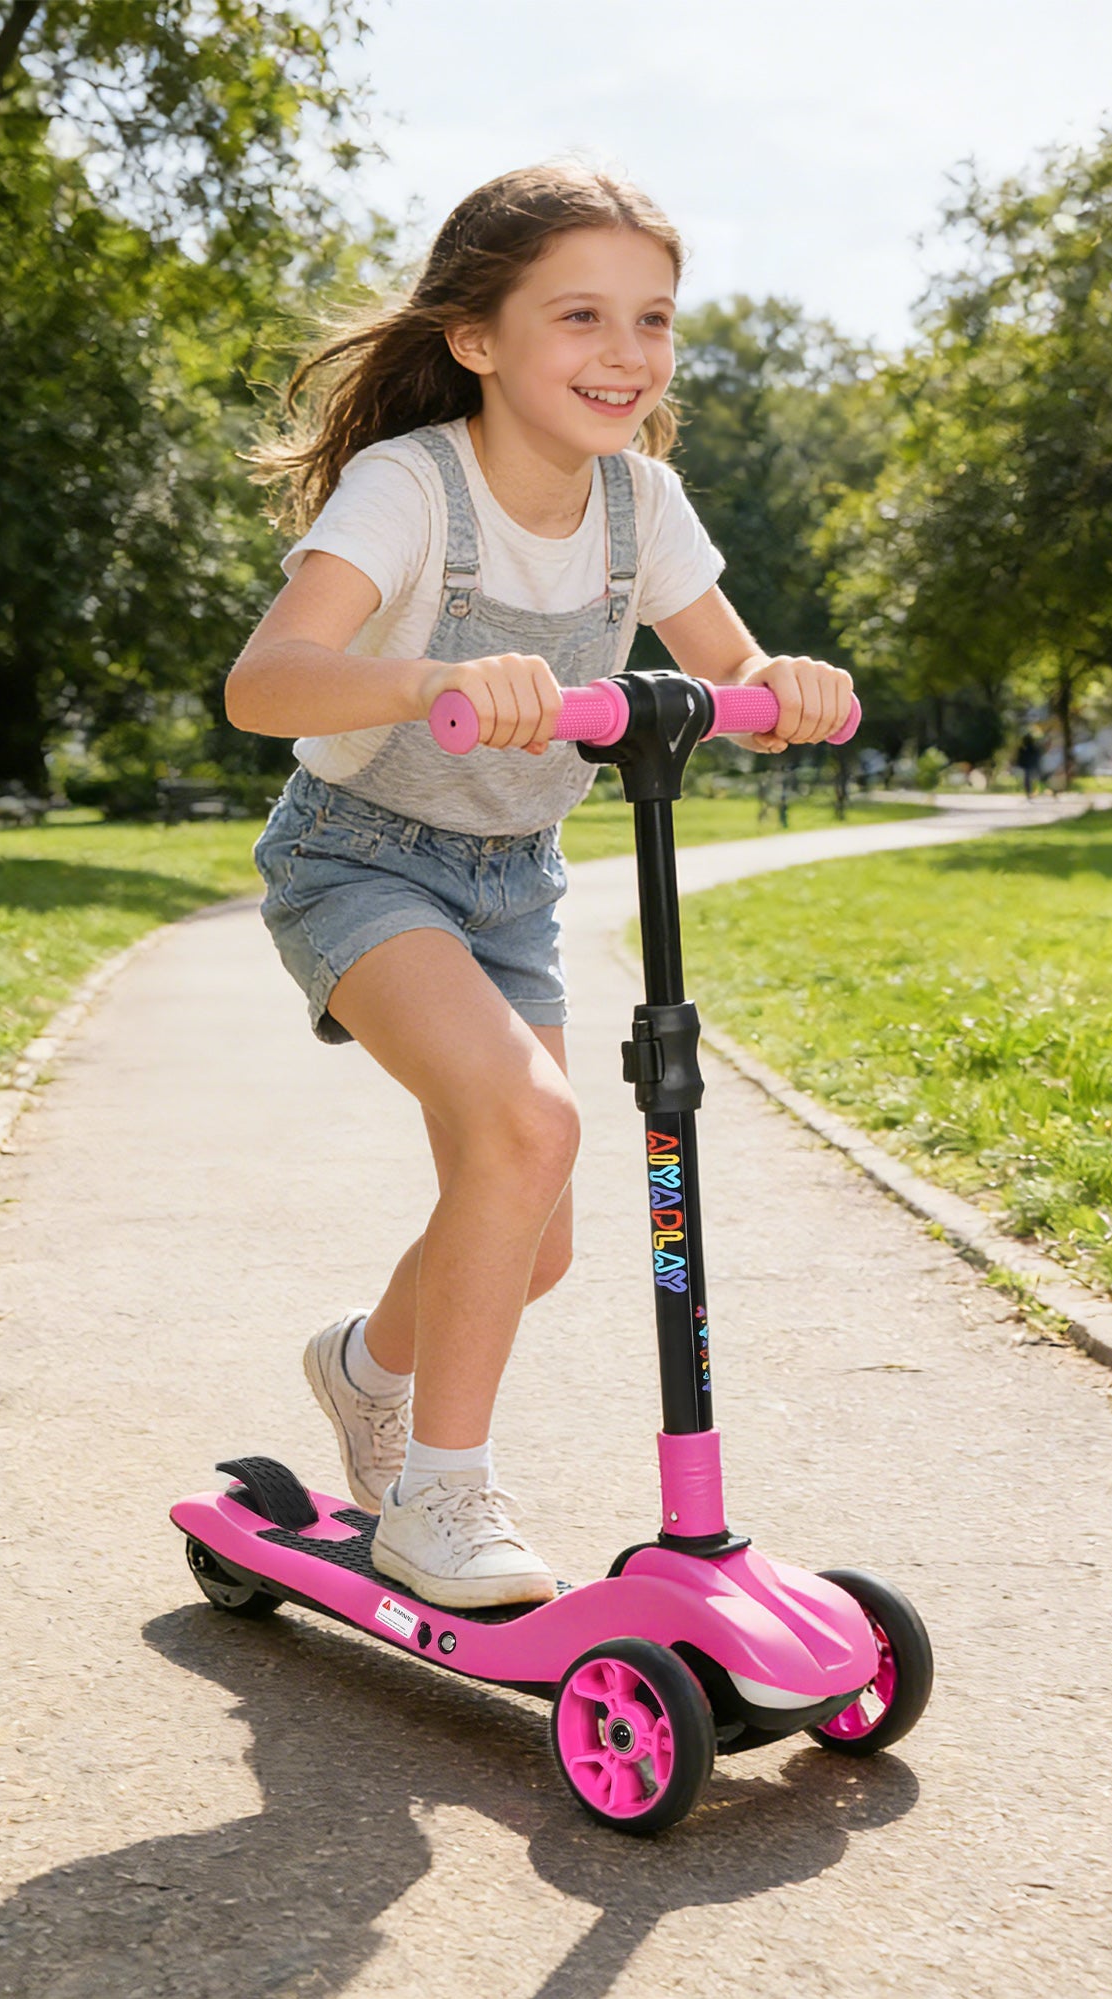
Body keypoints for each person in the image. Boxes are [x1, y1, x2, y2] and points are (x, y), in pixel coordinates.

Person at [224, 163, 853, 1611]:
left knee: (539, 1228)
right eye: (580, 317)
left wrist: (783, 688)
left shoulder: (644, 504)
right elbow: (268, 681)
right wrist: (435, 675)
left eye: (652, 320)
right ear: (478, 338)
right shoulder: (409, 486)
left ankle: (367, 1368)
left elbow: (730, 667)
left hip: (513, 880)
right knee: (532, 1121)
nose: (625, 356)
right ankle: (437, 1497)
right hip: (359, 853)